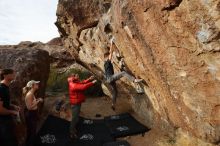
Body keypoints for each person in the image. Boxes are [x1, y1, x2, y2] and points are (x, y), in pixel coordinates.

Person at [104, 37, 144, 110]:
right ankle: (134, 80)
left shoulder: (106, 64)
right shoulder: (107, 62)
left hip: (109, 80)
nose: (110, 58)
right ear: (106, 58)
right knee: (123, 73)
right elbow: (110, 53)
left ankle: (113, 104)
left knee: (115, 92)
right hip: (110, 78)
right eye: (108, 58)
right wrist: (112, 43)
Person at [68, 74, 96, 139]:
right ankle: (72, 132)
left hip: (77, 102)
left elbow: (82, 82)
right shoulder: (73, 84)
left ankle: (74, 128)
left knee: (76, 116)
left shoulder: (75, 82)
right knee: (74, 118)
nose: (78, 76)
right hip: (75, 104)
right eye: (76, 75)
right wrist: (92, 83)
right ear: (73, 77)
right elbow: (83, 86)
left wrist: (89, 79)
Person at [0, 69, 20, 146]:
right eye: (12, 73)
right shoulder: (1, 88)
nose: (14, 74)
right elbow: (0, 110)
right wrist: (13, 112)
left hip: (6, 120)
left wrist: (13, 106)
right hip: (2, 122)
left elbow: (5, 103)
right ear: (5, 75)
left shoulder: (6, 87)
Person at [23, 80, 43, 146]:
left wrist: (37, 100)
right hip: (30, 114)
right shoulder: (29, 94)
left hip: (32, 114)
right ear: (32, 86)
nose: (38, 85)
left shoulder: (32, 93)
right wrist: (38, 101)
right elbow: (29, 107)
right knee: (32, 132)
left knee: (31, 131)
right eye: (36, 84)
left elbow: (31, 103)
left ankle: (29, 143)